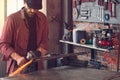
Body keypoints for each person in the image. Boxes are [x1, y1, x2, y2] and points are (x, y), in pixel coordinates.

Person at [0, 0, 49, 75]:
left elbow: (45, 40)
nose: (33, 11)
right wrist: (17, 58)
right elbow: (3, 44)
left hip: (37, 66)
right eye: (30, 7)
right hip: (18, 67)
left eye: (36, 9)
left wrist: (39, 50)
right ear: (24, 2)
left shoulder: (42, 18)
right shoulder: (12, 19)